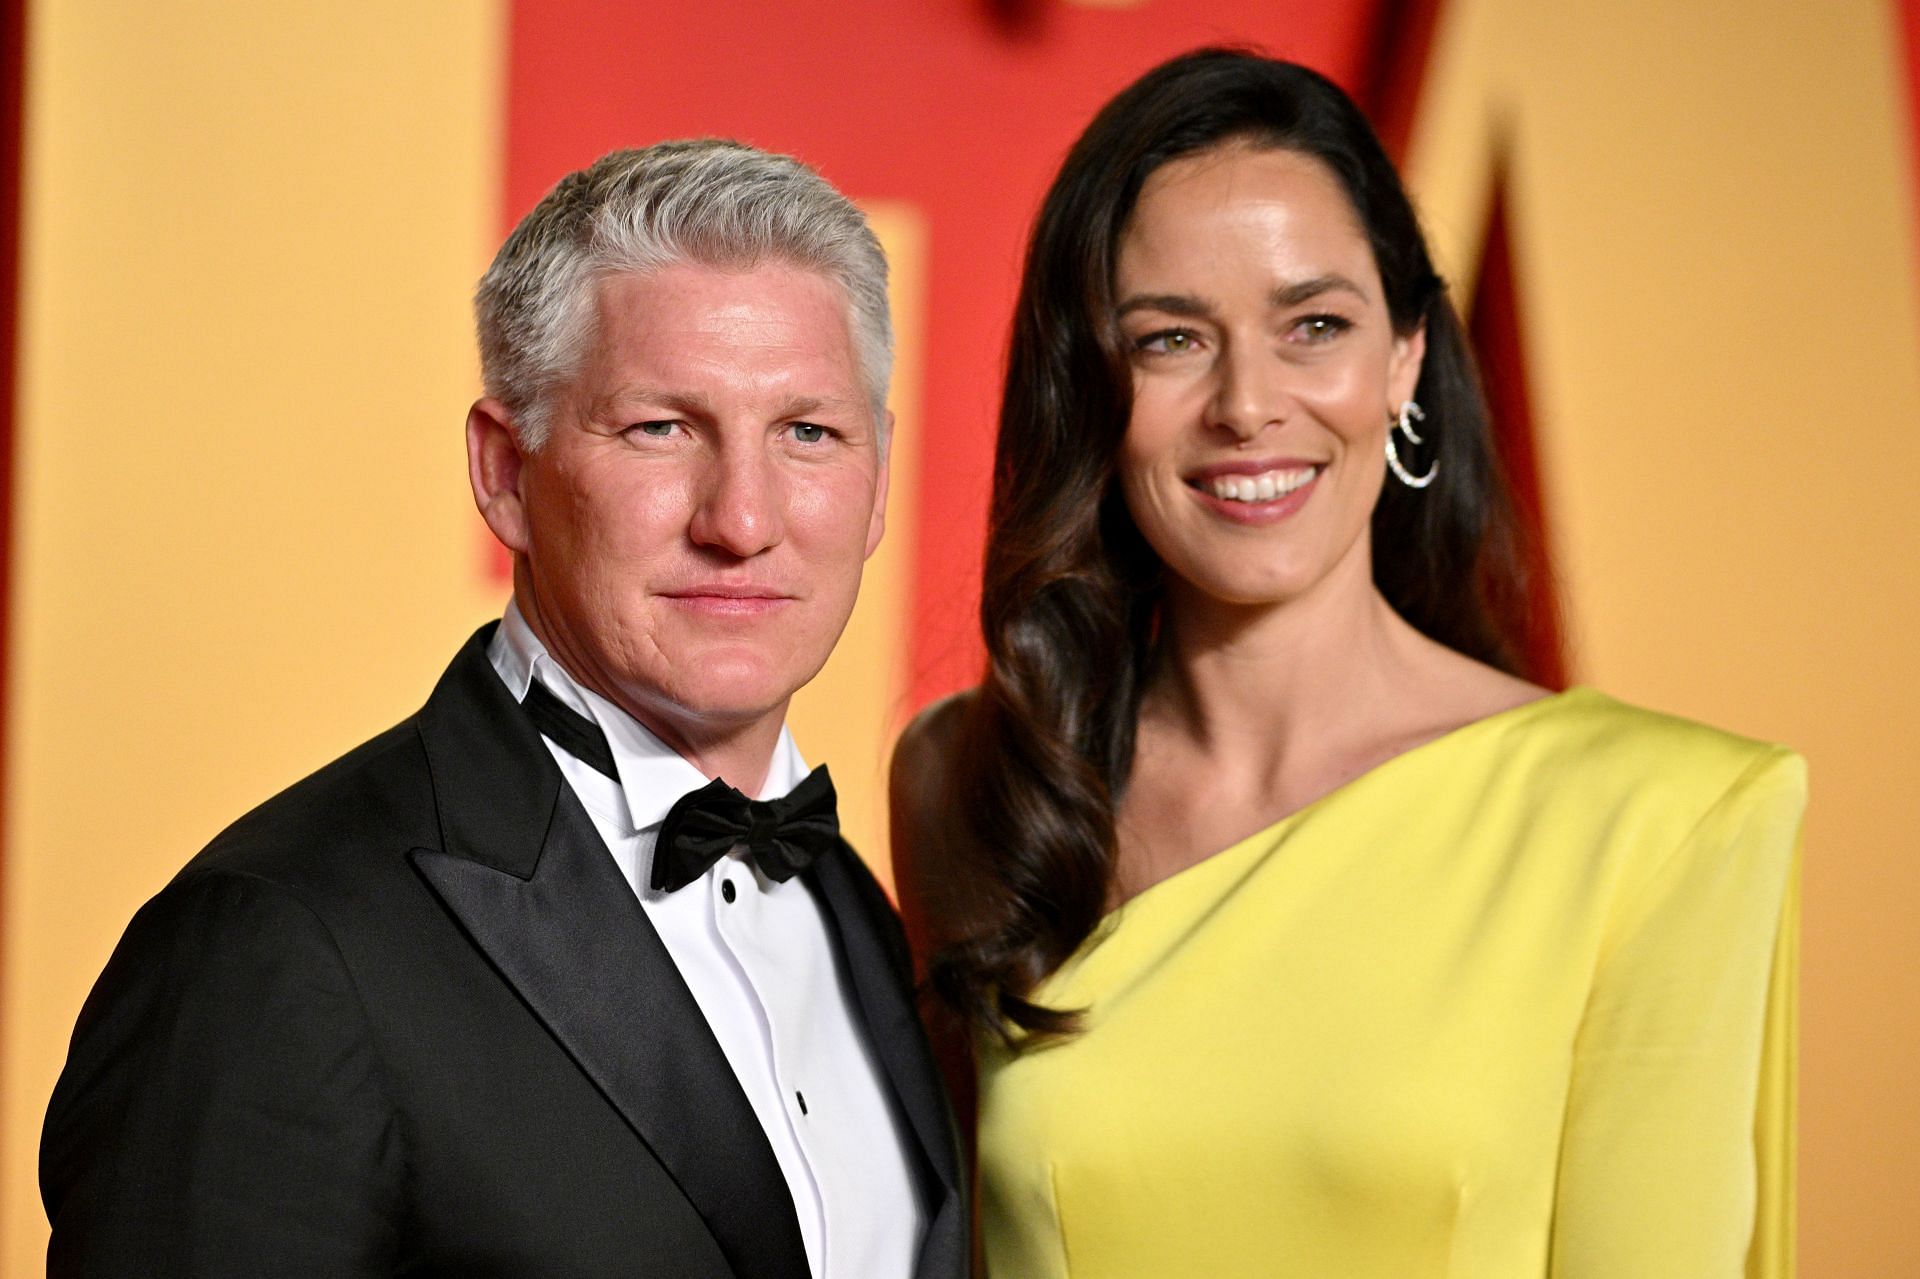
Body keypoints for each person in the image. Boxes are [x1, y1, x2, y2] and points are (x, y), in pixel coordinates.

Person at [891, 49, 1800, 1278]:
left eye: (1314, 324)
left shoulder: (1658, 820)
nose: (1248, 404)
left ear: (1406, 358)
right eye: (1170, 341)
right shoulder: (972, 780)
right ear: (1091, 388)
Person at [43, 140, 965, 1278]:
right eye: (660, 428)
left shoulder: (865, 913)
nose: (742, 519)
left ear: (876, 481)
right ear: (504, 473)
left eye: (808, 433)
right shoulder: (276, 941)